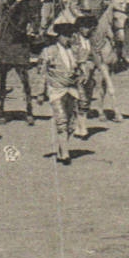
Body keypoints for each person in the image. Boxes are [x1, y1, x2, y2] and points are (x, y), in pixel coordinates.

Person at [37, 22, 90, 164]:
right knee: (62, 121)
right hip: (56, 90)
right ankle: (65, 154)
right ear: (58, 36)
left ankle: (62, 150)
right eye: (65, 36)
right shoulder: (49, 51)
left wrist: (83, 75)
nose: (68, 39)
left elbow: (82, 68)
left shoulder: (74, 50)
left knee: (71, 123)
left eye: (70, 36)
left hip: (72, 90)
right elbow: (42, 73)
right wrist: (40, 93)